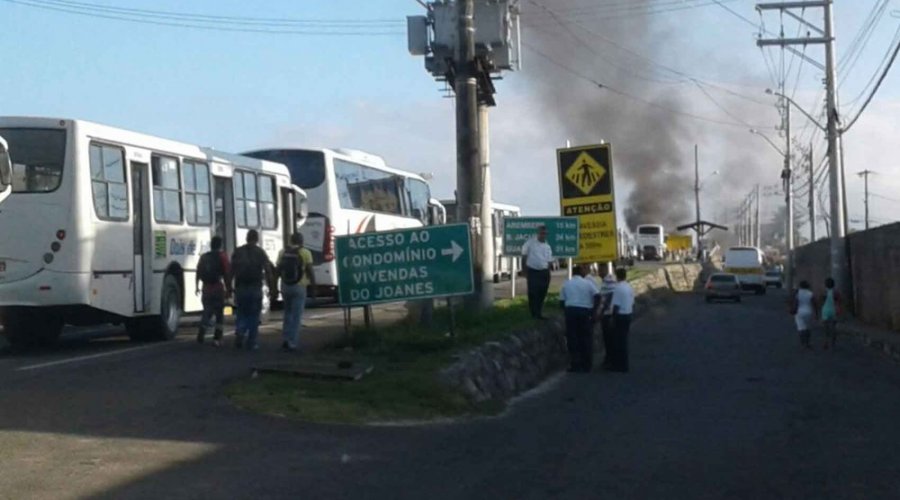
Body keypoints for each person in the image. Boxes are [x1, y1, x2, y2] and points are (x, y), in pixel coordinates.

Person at [230, 229, 273, 351]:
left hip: (240, 287)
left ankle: (240, 331)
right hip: (255, 287)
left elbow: (231, 271)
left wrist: (228, 287)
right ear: (257, 239)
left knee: (241, 312)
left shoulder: (238, 252)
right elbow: (268, 271)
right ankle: (252, 341)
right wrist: (272, 287)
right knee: (254, 315)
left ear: (247, 238)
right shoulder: (260, 252)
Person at [276, 232, 316, 352]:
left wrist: (274, 287)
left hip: (285, 286)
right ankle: (292, 342)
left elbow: (277, 270)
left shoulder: (282, 252)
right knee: (296, 315)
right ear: (301, 241)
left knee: (287, 313)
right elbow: (310, 271)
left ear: (291, 240)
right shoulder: (305, 253)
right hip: (299, 286)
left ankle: (286, 338)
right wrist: (313, 287)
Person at [559, 264, 601, 373]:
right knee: (586, 338)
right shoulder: (587, 283)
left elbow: (561, 301)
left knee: (572, 339)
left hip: (571, 311)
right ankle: (587, 365)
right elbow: (597, 295)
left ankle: (575, 364)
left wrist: (566, 311)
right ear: (581, 273)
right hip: (585, 311)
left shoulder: (566, 284)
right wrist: (594, 310)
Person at [195, 235, 231, 347]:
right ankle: (217, 338)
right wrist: (228, 288)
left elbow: (198, 271)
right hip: (217, 288)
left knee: (207, 311)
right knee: (219, 314)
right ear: (220, 245)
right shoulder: (222, 256)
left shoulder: (204, 257)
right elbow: (226, 273)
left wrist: (196, 286)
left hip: (205, 288)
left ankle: (202, 328)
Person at [522, 225, 553, 319]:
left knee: (542, 293)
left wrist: (548, 273)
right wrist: (524, 270)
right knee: (533, 293)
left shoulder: (547, 246)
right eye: (541, 233)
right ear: (538, 233)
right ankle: (534, 313)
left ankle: (539, 313)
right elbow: (524, 256)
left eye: (545, 233)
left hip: (544, 272)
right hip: (533, 271)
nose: (543, 235)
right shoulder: (530, 243)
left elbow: (549, 261)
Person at [608, 267, 635, 372]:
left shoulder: (618, 288)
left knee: (618, 342)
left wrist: (612, 319)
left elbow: (616, 305)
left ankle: (619, 365)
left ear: (617, 276)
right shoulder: (629, 287)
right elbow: (632, 301)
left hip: (620, 316)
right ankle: (623, 364)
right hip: (628, 314)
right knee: (623, 340)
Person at [598, 270, 618, 369]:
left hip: (607, 315)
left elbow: (603, 301)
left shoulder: (606, 285)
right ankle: (613, 359)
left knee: (608, 339)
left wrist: (598, 313)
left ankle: (609, 360)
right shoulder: (615, 283)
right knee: (613, 339)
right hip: (615, 314)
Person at [792, 280, 816, 349]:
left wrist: (793, 310)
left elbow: (795, 303)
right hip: (809, 311)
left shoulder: (798, 293)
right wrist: (816, 313)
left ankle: (803, 343)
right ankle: (807, 342)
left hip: (799, 312)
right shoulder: (810, 293)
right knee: (808, 328)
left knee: (801, 328)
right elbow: (814, 303)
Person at [820, 277, 842, 350]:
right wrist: (839, 309)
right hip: (833, 310)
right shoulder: (836, 292)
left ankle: (825, 342)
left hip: (825, 310)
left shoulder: (824, 292)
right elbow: (839, 302)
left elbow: (821, 302)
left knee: (825, 328)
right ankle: (832, 344)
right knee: (833, 328)